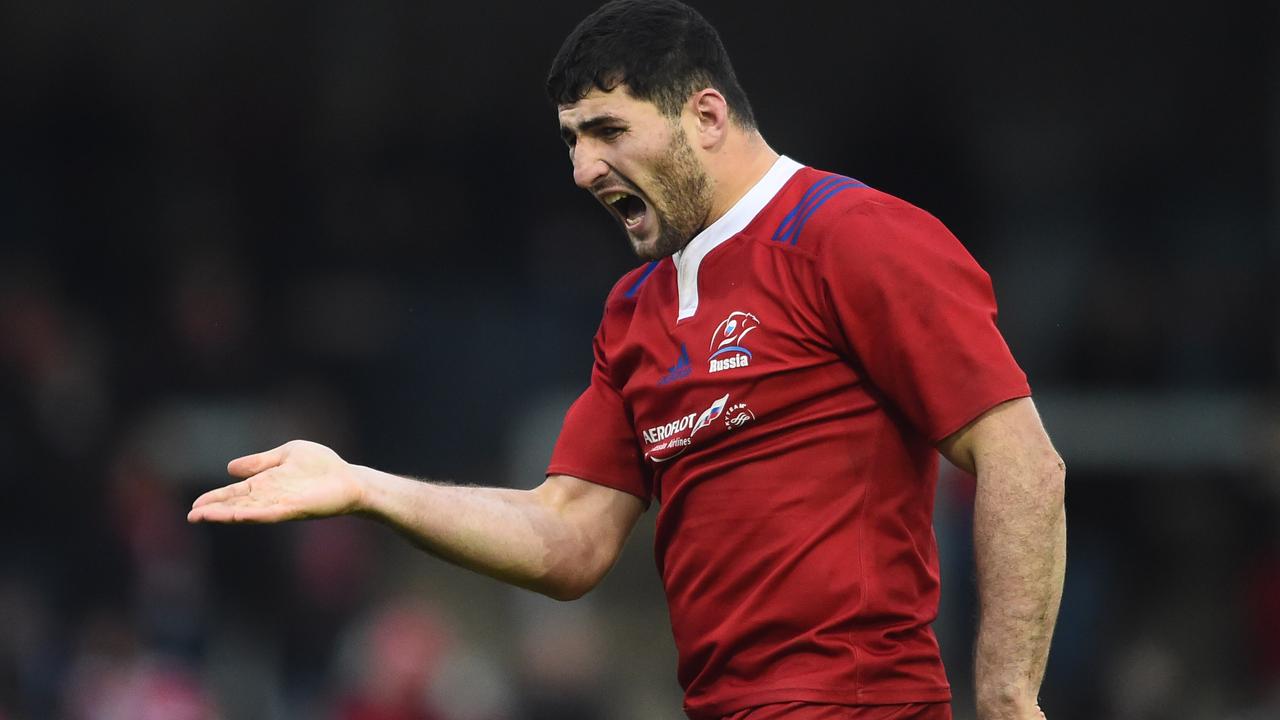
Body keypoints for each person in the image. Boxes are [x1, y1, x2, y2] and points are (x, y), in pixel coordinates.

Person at [187, 2, 1067, 719]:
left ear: (707, 115)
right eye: (571, 138)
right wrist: (365, 487)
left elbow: (1022, 460)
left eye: (607, 129)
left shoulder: (854, 237)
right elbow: (567, 538)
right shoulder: (634, 312)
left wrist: (1007, 698)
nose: (581, 168)